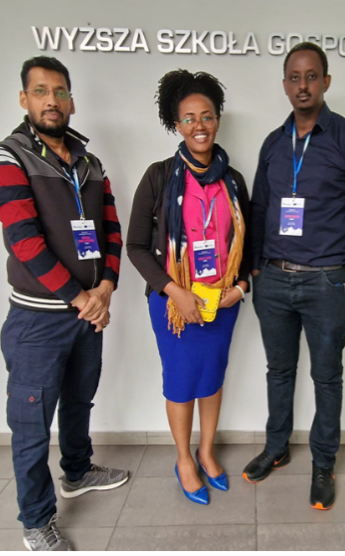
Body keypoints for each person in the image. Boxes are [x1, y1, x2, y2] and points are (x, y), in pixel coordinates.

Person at [0, 56, 129, 552]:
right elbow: (25, 241)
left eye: (60, 91)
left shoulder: (90, 163)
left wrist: (106, 287)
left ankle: (78, 472)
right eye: (41, 91)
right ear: (24, 99)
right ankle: (36, 522)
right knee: (30, 426)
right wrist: (83, 297)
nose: (52, 100)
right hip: (38, 321)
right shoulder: (8, 158)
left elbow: (112, 229)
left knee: (79, 400)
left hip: (88, 313)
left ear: (71, 101)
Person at [243, 43, 345, 511]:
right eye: (294, 77)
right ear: (284, 84)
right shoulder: (274, 142)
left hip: (327, 281)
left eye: (311, 76)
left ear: (326, 81)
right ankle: (276, 448)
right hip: (273, 280)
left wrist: (338, 239)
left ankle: (324, 463)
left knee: (327, 377)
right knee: (279, 370)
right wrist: (255, 267)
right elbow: (260, 208)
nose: (302, 85)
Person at [127, 70, 251, 505]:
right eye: (189, 118)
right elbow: (135, 247)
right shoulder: (159, 177)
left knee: (212, 378)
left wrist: (241, 287)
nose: (199, 125)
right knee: (181, 381)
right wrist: (174, 291)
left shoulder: (234, 181)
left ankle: (206, 451)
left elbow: (249, 246)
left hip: (222, 301)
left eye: (207, 116)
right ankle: (184, 459)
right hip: (172, 304)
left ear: (217, 120)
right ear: (176, 124)